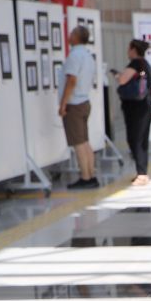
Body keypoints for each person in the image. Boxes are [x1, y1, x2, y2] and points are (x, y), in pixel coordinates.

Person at [57, 25, 100, 190]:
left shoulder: (74, 56)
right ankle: (91, 175)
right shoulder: (88, 56)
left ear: (76, 37)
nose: (69, 35)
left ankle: (85, 177)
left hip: (74, 104)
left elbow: (72, 80)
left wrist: (63, 104)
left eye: (72, 33)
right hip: (84, 101)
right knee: (85, 141)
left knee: (78, 143)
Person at [114, 38, 151, 186]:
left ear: (133, 50)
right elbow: (142, 78)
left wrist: (117, 75)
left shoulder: (136, 64)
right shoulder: (144, 65)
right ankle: (142, 172)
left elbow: (123, 80)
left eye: (129, 48)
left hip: (137, 107)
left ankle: (142, 174)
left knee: (135, 139)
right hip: (146, 105)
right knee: (141, 139)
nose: (127, 51)